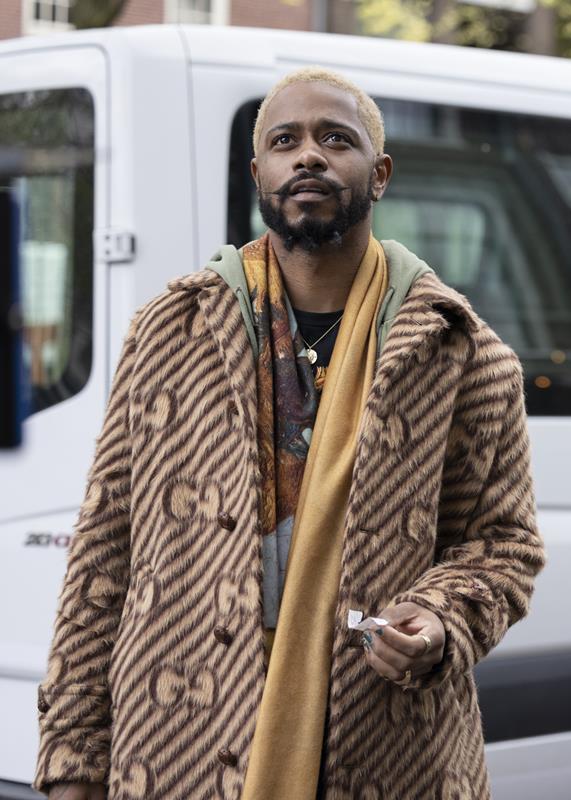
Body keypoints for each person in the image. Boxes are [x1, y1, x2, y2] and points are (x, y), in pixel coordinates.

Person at [35, 67, 545, 800]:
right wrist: (73, 763)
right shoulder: (171, 331)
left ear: (380, 174)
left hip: (387, 745)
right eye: (285, 141)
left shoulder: (461, 352)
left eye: (336, 139)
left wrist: (438, 617)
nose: (308, 156)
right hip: (176, 741)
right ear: (258, 173)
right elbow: (103, 552)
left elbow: (503, 545)